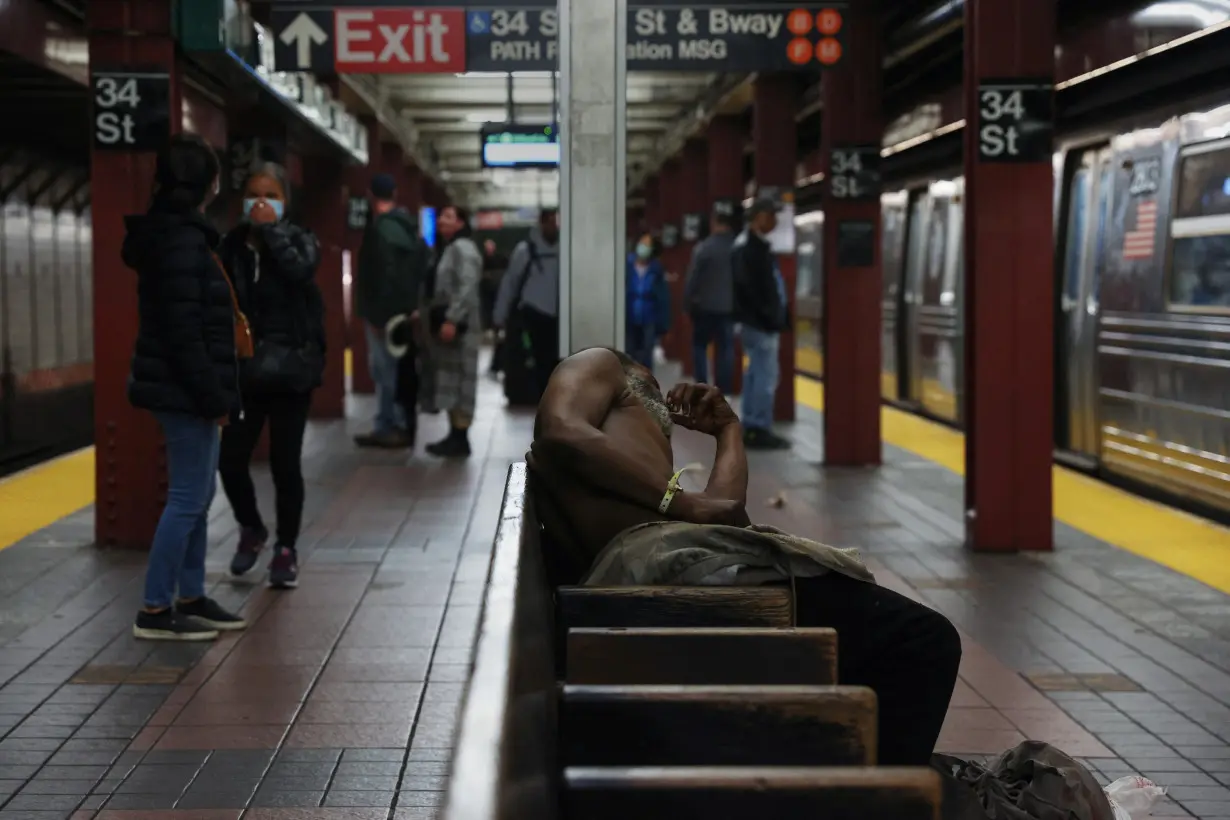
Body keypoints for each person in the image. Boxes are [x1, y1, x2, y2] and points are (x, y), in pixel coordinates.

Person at [526, 347, 962, 766]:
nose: (663, 397)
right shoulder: (598, 362)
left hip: (682, 558)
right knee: (922, 640)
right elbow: (559, 429)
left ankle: (857, 790)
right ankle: (874, 802)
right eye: (652, 385)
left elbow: (726, 513)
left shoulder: (635, 470)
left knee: (895, 653)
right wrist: (678, 502)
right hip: (655, 561)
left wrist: (727, 429)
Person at [123, 135, 247, 641]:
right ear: (209, 184)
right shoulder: (181, 242)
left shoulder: (180, 236)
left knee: (197, 493)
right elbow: (184, 332)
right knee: (187, 497)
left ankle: (191, 596)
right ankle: (155, 608)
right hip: (185, 390)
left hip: (185, 387)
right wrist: (212, 397)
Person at [216, 163, 325, 590]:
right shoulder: (230, 247)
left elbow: (300, 273)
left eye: (271, 195)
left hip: (290, 374)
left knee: (285, 463)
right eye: (254, 195)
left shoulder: (300, 240)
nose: (261, 202)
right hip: (245, 372)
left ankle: (286, 548)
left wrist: (273, 233)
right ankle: (251, 526)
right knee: (230, 461)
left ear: (284, 201)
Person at [353, 173, 426, 448]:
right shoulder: (410, 229)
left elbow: (382, 275)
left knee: (384, 372)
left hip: (384, 315)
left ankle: (389, 425)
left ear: (371, 196)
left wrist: (378, 315)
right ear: (394, 195)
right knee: (399, 369)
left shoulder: (379, 230)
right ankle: (397, 422)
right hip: (406, 313)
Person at [421, 205, 483, 458]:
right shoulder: (449, 248)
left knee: (460, 381)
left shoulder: (463, 248)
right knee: (450, 380)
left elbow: (466, 287)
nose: (441, 221)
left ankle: (461, 438)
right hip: (450, 325)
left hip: (460, 328)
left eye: (448, 217)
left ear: (460, 222)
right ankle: (454, 435)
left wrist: (452, 319)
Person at [732, 197, 791, 450]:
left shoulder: (756, 246)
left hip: (758, 322)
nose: (775, 221)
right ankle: (758, 428)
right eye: (771, 215)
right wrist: (770, 317)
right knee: (764, 376)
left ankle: (754, 425)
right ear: (758, 217)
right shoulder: (749, 248)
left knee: (758, 374)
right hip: (759, 324)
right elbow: (751, 289)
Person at [494, 208, 560, 404]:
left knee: (556, 361)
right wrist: (500, 315)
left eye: (555, 221)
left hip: (560, 317)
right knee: (535, 360)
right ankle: (538, 394)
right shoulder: (525, 251)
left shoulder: (567, 250)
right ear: (540, 224)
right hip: (532, 315)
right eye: (548, 222)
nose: (552, 226)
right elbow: (510, 284)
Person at [685, 208, 737, 394]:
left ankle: (702, 386)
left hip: (704, 308)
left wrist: (688, 303)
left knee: (699, 346)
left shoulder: (703, 248)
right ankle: (724, 390)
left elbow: (693, 279)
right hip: (729, 308)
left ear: (714, 224)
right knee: (725, 350)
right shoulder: (737, 247)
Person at [625, 233, 671, 370]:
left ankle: (646, 387)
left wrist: (665, 324)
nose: (643, 246)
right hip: (629, 316)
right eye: (642, 242)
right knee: (629, 355)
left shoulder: (656, 269)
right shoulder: (627, 265)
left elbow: (663, 298)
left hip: (649, 317)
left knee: (646, 356)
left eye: (647, 244)